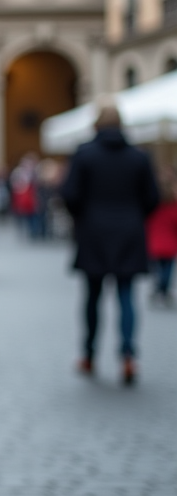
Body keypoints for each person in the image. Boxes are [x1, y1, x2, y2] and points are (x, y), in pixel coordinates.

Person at [61, 103, 159, 386]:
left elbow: (70, 194)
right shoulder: (139, 157)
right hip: (129, 230)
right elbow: (152, 198)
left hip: (94, 231)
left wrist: (84, 217)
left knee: (92, 297)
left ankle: (89, 354)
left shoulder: (84, 155)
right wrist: (133, 216)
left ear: (96, 126)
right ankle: (128, 355)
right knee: (126, 295)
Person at [147, 165, 177, 306]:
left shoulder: (153, 208)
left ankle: (159, 288)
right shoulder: (173, 208)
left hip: (154, 243)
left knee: (158, 269)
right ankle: (162, 289)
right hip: (170, 244)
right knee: (167, 270)